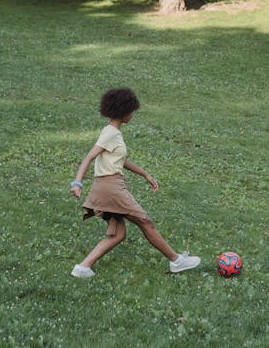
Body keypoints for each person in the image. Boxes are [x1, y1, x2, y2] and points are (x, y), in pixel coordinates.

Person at [69, 87, 201, 278]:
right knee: (145, 221)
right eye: (131, 111)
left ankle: (83, 267)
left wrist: (144, 174)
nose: (133, 114)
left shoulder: (112, 132)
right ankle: (176, 261)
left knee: (118, 234)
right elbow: (89, 156)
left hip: (105, 187)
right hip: (111, 187)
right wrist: (77, 183)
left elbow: (120, 160)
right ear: (123, 111)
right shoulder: (110, 133)